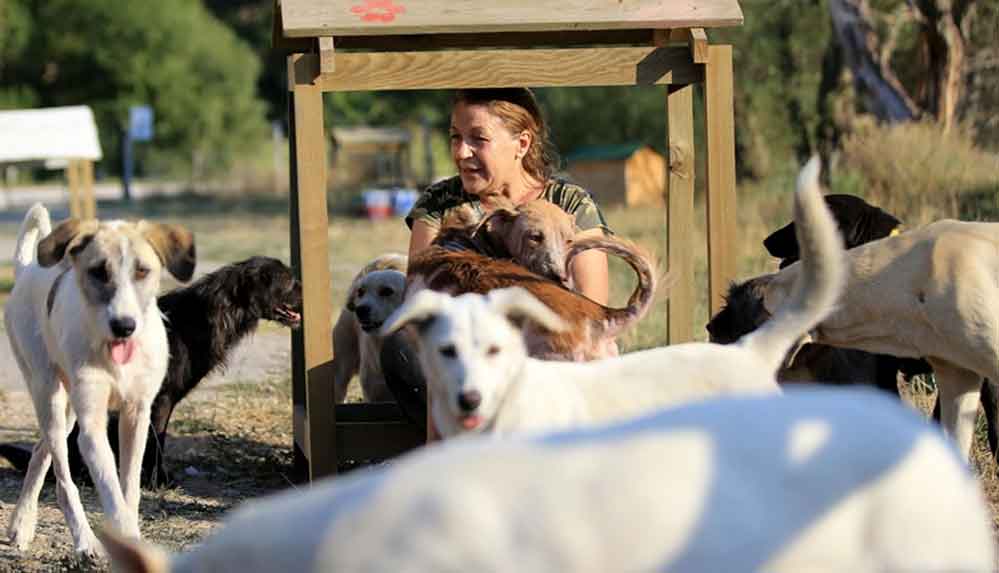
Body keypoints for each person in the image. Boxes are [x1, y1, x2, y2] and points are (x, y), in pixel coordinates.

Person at [382, 88, 613, 432]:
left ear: (521, 144)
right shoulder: (441, 202)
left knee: (599, 348)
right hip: (464, 363)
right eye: (455, 137)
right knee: (400, 346)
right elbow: (423, 299)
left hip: (548, 358)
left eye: (478, 139)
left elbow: (592, 308)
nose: (462, 152)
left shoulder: (568, 203)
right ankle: (451, 449)